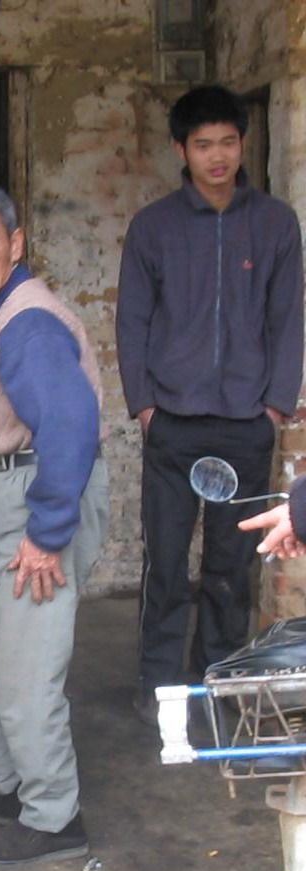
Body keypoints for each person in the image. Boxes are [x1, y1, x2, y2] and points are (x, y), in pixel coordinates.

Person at [0, 179, 109, 868]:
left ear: (15, 243)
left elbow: (69, 423)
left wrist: (47, 530)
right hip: (14, 494)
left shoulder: (27, 323)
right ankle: (3, 785)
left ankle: (54, 817)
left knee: (25, 670)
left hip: (48, 493)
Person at [116, 85, 304, 724]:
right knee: (165, 562)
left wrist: (275, 407)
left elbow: (287, 320)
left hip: (247, 423)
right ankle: (161, 685)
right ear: (181, 149)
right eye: (203, 145)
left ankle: (219, 682)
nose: (217, 156)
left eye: (228, 141)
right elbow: (133, 320)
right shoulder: (155, 228)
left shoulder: (275, 224)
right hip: (173, 423)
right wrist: (144, 404)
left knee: (231, 568)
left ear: (243, 144)